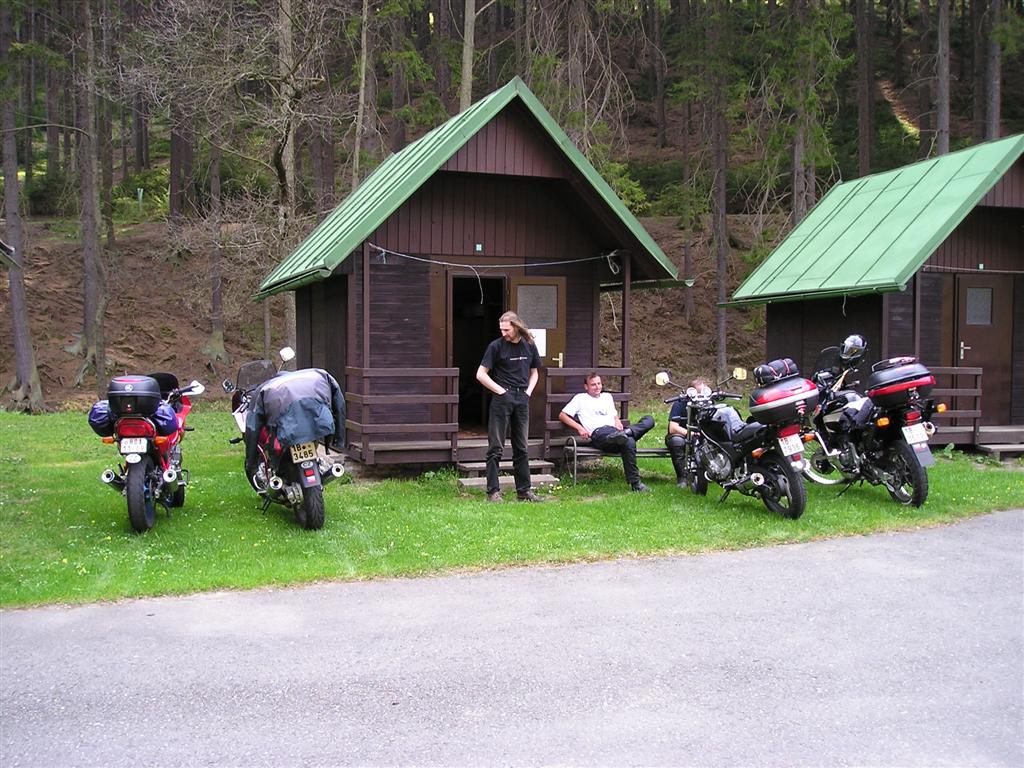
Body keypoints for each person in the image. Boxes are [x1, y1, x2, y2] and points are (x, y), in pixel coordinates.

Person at [476, 311, 543, 503]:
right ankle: (493, 492)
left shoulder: (529, 345)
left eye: (507, 330)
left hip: (522, 399)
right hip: (501, 400)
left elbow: (535, 372)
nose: (503, 333)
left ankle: (524, 491)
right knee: (495, 447)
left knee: (521, 447)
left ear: (516, 327)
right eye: (501, 330)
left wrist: (528, 392)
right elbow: (480, 374)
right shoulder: (495, 346)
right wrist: (501, 391)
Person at [559, 371, 656, 492]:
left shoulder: (607, 397)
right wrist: (579, 428)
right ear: (586, 387)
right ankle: (636, 483)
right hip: (599, 434)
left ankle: (625, 434)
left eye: (599, 383)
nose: (597, 387)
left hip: (615, 432)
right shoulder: (580, 398)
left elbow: (614, 415)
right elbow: (562, 415)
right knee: (629, 441)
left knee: (649, 420)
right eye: (593, 384)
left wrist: (617, 421)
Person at [665, 377, 707, 487]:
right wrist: (691, 434)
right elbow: (673, 428)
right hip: (682, 436)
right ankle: (682, 477)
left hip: (704, 436)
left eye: (704, 392)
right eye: (698, 392)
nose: (700, 396)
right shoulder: (680, 403)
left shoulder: (709, 403)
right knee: (676, 441)